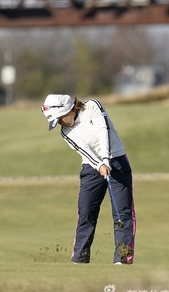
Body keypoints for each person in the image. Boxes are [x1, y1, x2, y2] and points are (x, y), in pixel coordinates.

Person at [41, 94, 136, 264]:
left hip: (117, 160)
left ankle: (123, 259)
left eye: (60, 118)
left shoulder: (93, 106)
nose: (60, 123)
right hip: (91, 168)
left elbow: (103, 130)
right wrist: (100, 165)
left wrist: (106, 160)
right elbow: (84, 150)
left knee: (123, 213)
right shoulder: (66, 132)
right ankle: (80, 259)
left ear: (67, 109)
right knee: (85, 213)